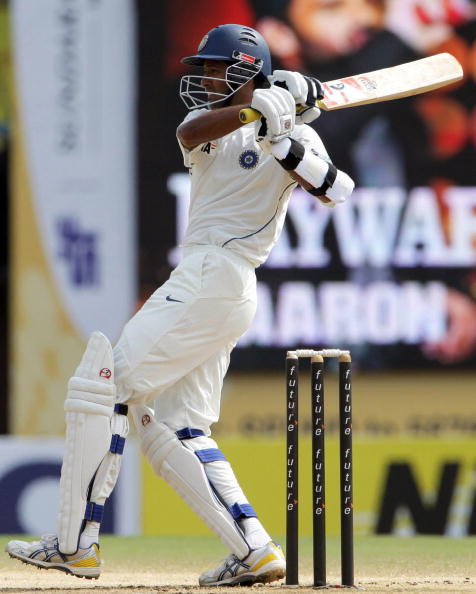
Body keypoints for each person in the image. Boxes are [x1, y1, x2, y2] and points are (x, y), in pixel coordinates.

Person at [5, 24, 354, 586]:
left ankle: (74, 544)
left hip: (221, 277)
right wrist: (260, 114)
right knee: (177, 427)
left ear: (248, 72)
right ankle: (254, 550)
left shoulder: (297, 136)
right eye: (205, 69)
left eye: (217, 69)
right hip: (208, 282)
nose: (204, 78)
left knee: (104, 383)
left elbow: (337, 190)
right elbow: (191, 131)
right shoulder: (211, 128)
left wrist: (285, 137)